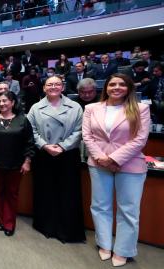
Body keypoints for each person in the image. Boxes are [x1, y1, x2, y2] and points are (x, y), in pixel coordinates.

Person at [82, 73, 150, 267]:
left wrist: (113, 158)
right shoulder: (91, 108)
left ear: (129, 87)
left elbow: (140, 139)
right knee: (100, 206)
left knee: (128, 210)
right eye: (112, 84)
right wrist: (101, 158)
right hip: (98, 164)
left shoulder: (141, 108)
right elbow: (87, 136)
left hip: (130, 165)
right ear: (106, 88)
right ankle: (104, 244)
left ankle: (123, 250)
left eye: (121, 84)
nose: (116, 88)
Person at [26, 76, 86, 243]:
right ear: (44, 87)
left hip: (67, 155)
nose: (53, 87)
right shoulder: (36, 108)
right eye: (49, 84)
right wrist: (45, 146)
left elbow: (79, 130)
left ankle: (67, 230)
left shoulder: (75, 107)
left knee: (67, 193)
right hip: (44, 154)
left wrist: (62, 146)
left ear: (63, 87)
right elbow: (30, 130)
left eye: (57, 84)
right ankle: (45, 226)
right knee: (44, 191)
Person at [0, 90, 34, 236]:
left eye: (5, 100)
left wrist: (27, 161)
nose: (1, 104)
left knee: (12, 194)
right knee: (0, 193)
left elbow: (29, 143)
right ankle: (1, 219)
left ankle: (9, 223)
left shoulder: (22, 120)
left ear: (13, 102)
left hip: (16, 164)